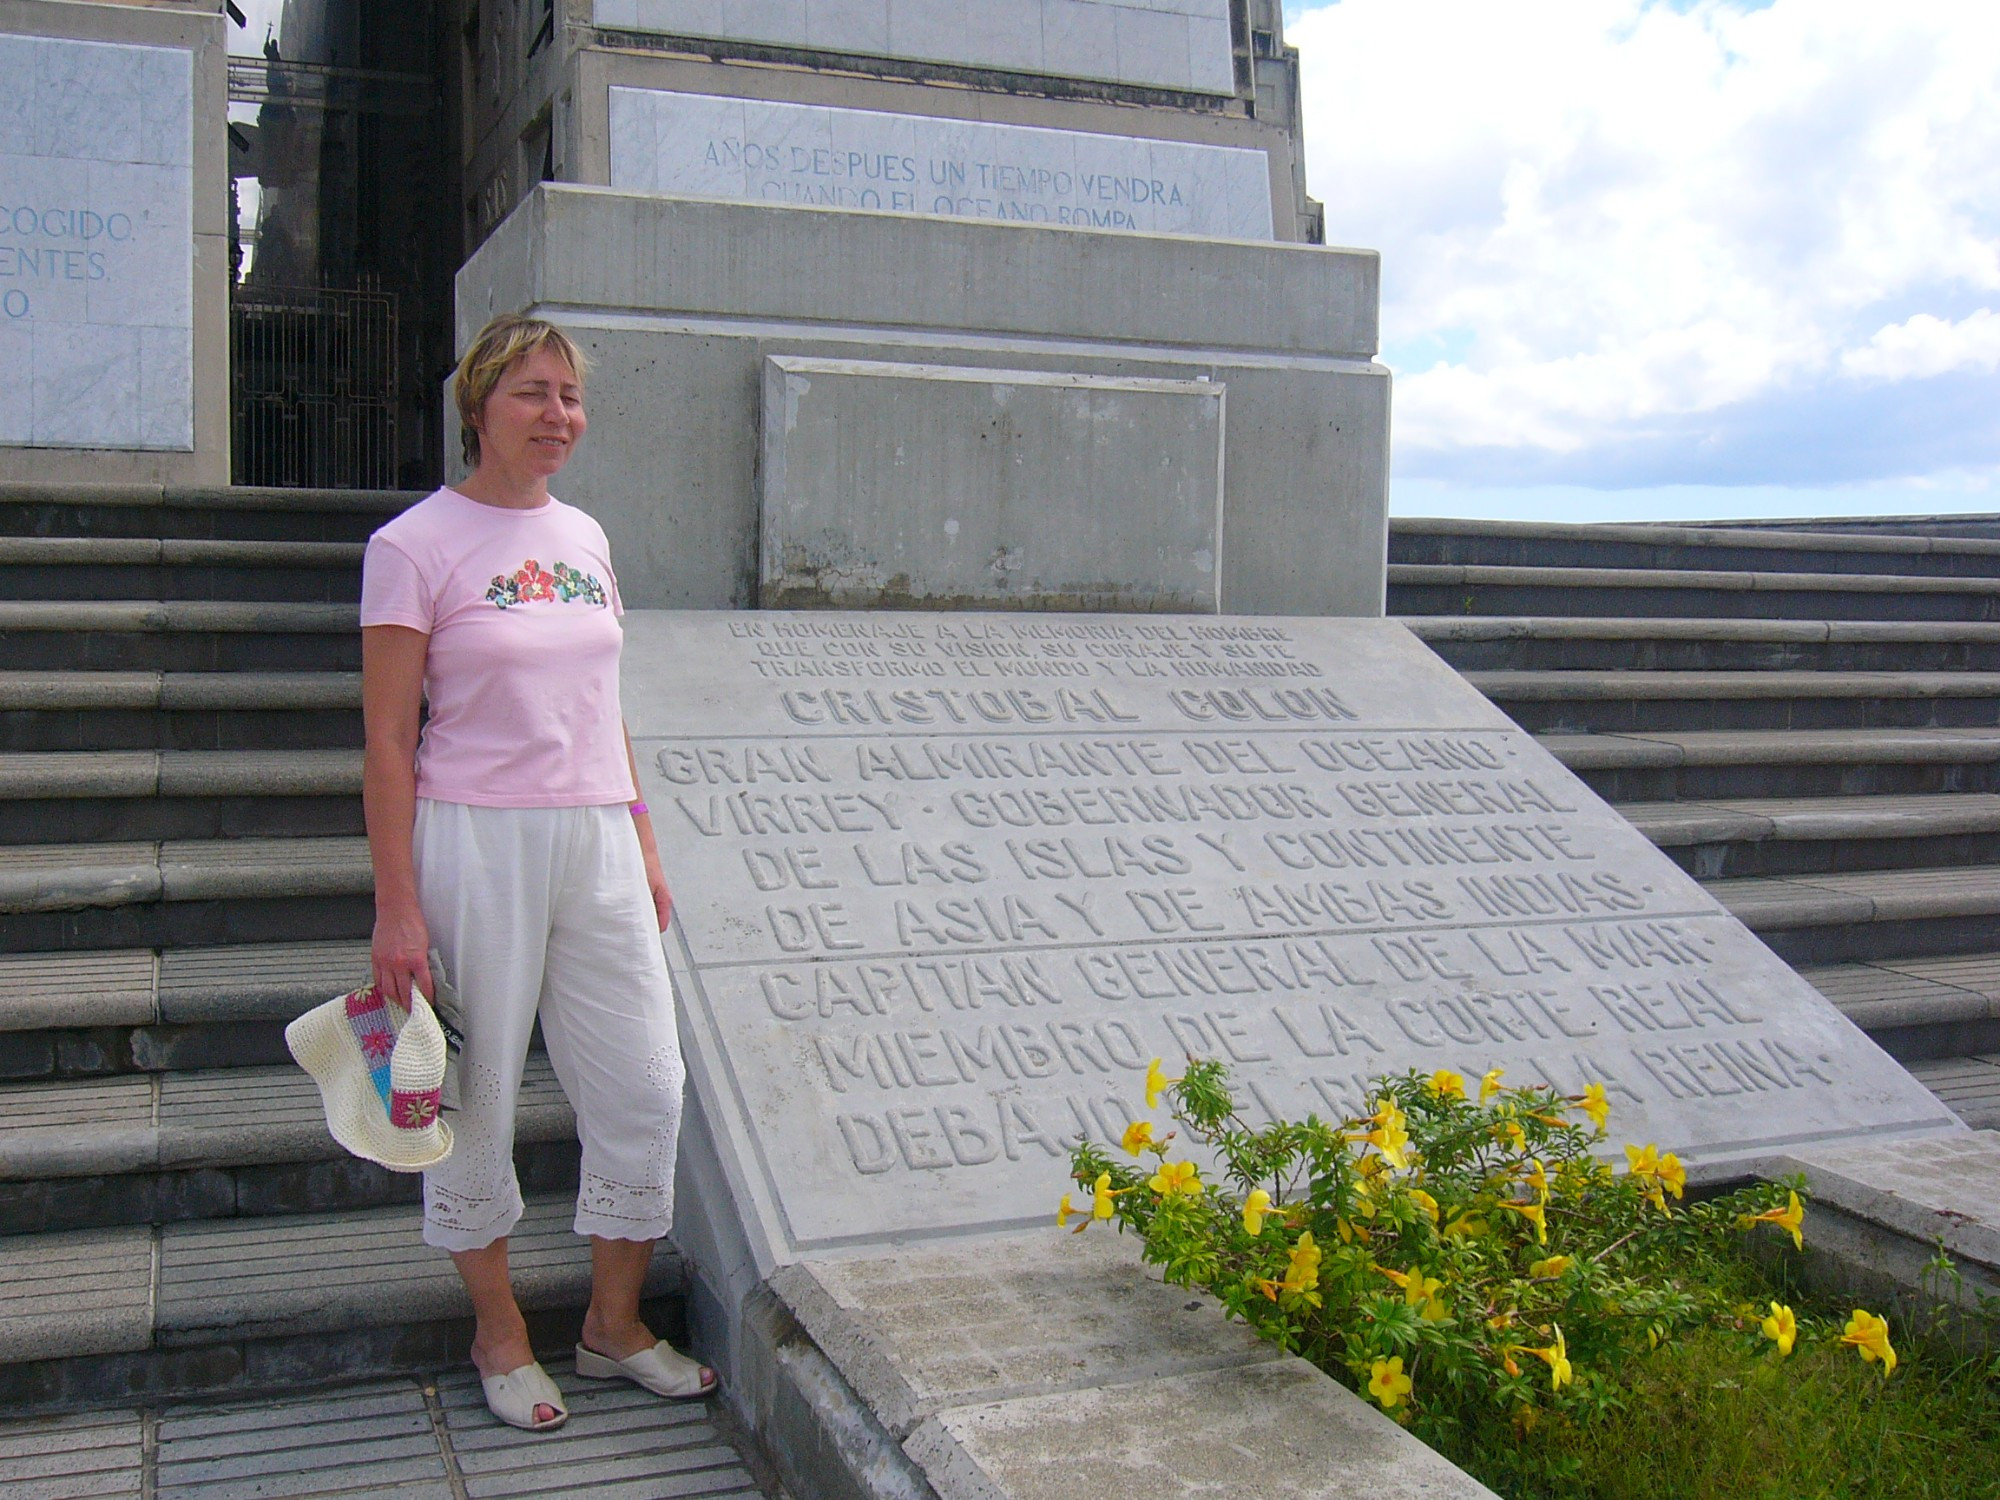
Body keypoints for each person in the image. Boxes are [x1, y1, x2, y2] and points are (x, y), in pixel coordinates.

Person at [360, 312, 716, 1431]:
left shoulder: (586, 537)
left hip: (597, 837)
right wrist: (396, 906)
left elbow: (604, 706)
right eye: (531, 394)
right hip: (474, 838)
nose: (556, 415)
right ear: (477, 408)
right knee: (473, 1098)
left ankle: (612, 1328)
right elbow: (384, 740)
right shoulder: (413, 545)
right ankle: (500, 1333)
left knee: (649, 1086)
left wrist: (644, 843)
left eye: (568, 395)